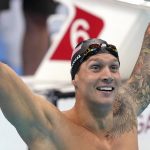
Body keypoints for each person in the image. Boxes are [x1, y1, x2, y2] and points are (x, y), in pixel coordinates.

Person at [0, 23, 150, 150]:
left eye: (114, 67)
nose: (108, 76)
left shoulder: (126, 111)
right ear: (75, 78)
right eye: (96, 67)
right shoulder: (51, 129)